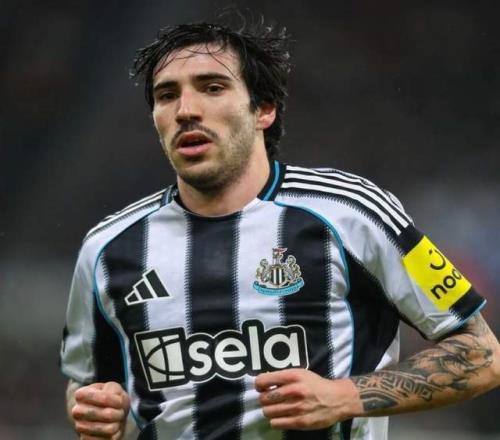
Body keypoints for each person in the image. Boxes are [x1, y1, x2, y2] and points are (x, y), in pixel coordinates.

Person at [60, 18, 500, 440]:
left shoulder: (353, 213)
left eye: (212, 88)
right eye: (166, 95)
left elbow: (483, 355)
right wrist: (97, 410)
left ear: (264, 109)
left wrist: (343, 397)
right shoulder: (106, 249)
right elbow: (85, 382)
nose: (186, 110)